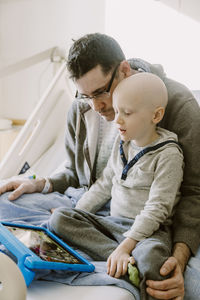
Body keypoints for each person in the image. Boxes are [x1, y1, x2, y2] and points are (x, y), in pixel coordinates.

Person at [0, 33, 199, 299]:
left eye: (101, 92)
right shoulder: (83, 109)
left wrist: (179, 256)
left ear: (124, 70)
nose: (97, 107)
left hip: (151, 222)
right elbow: (78, 174)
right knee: (19, 208)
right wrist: (40, 184)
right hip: (100, 210)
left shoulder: (174, 106)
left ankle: (131, 258)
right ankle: (120, 258)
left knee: (178, 277)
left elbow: (192, 193)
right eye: (85, 96)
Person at [48, 72, 184, 300]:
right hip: (112, 226)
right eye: (117, 111)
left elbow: (157, 209)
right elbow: (103, 185)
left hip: (147, 233)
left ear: (156, 115)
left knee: (153, 261)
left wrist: (127, 245)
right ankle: (123, 260)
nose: (117, 120)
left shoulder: (168, 155)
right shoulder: (123, 142)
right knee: (59, 219)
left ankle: (127, 258)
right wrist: (78, 212)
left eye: (127, 113)